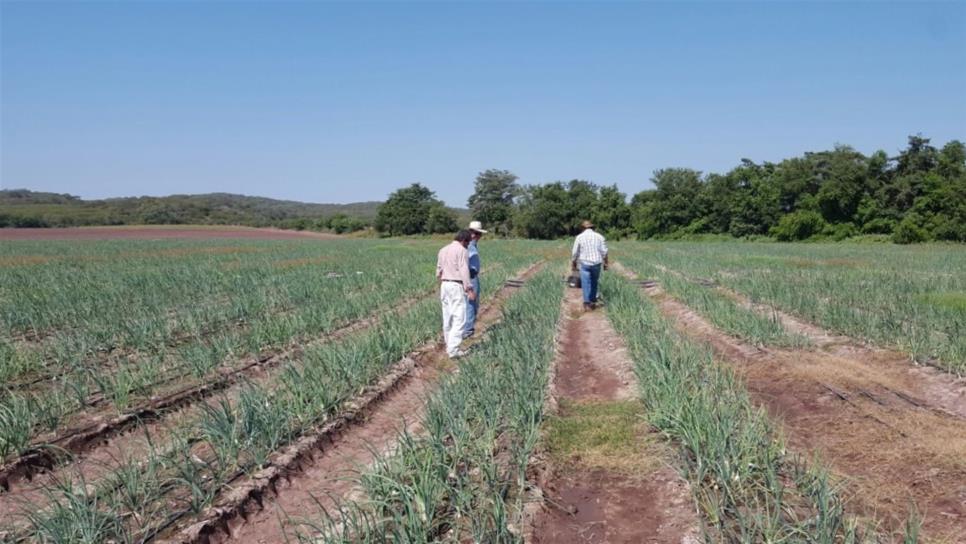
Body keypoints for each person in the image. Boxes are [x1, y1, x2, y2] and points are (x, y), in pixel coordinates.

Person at [436, 229, 476, 358]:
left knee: (447, 317)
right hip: (456, 285)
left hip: (444, 285)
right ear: (464, 240)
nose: (468, 245)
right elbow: (464, 270)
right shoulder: (462, 251)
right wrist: (469, 289)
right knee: (460, 318)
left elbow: (438, 271)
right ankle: (453, 350)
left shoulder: (443, 249)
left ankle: (449, 345)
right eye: (468, 242)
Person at [571, 220, 608, 311]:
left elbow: (575, 252)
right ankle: (593, 300)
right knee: (594, 281)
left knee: (585, 283)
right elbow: (605, 252)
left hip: (585, 264)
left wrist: (574, 263)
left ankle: (587, 303)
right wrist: (606, 263)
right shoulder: (600, 237)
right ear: (592, 227)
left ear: (583, 228)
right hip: (596, 263)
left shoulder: (579, 237)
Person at [463, 221, 487, 339]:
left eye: (479, 234)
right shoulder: (469, 245)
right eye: (476, 233)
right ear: (471, 233)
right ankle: (467, 329)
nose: (478, 236)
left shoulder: (471, 244)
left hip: (470, 276)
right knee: (471, 303)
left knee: (471, 303)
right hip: (471, 277)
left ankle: (466, 327)